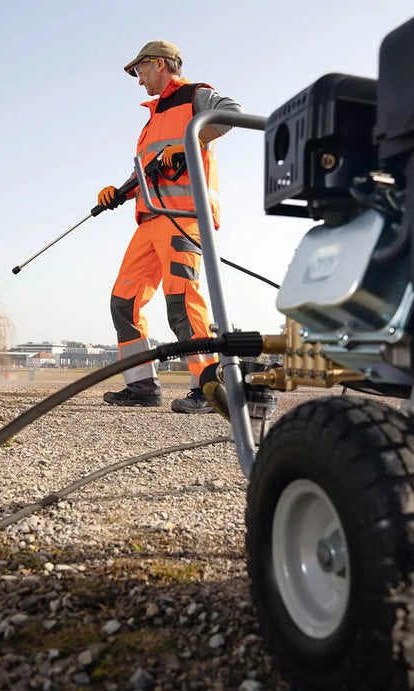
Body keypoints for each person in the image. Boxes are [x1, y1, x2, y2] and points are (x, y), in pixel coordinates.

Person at [98, 40, 242, 414]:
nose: (137, 77)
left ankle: (210, 390)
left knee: (181, 303)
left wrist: (189, 140)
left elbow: (232, 114)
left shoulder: (196, 96)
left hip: (183, 217)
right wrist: (120, 191)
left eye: (140, 69)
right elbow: (149, 169)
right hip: (149, 222)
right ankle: (142, 386)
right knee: (123, 303)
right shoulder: (151, 119)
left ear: (160, 64)